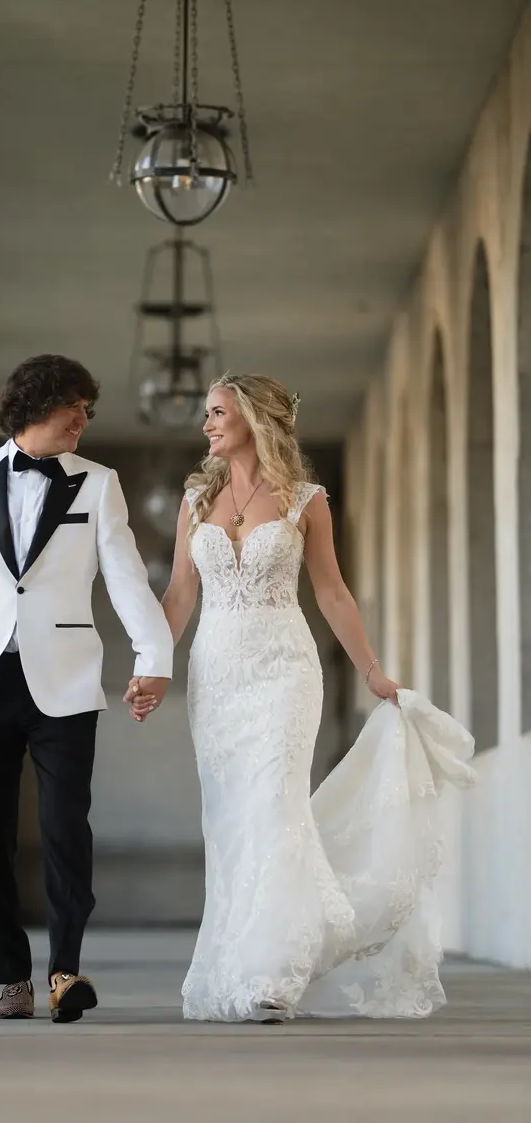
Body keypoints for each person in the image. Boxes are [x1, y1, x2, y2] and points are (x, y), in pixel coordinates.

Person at [126, 373, 474, 1022]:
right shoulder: (197, 497)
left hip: (285, 670)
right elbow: (179, 594)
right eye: (206, 413)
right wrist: (152, 667)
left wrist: (372, 671)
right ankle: (246, 955)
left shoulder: (305, 499)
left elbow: (333, 592)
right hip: (219, 675)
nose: (206, 424)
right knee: (231, 819)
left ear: (255, 418)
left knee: (275, 805)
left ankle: (274, 975)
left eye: (218, 412)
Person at [0, 354, 173, 1023]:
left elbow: (124, 576)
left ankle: (65, 971)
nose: (85, 420)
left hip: (63, 678)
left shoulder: (99, 485)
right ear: (37, 405)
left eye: (89, 410)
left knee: (66, 828)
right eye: (76, 408)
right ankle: (10, 975)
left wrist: (154, 655)